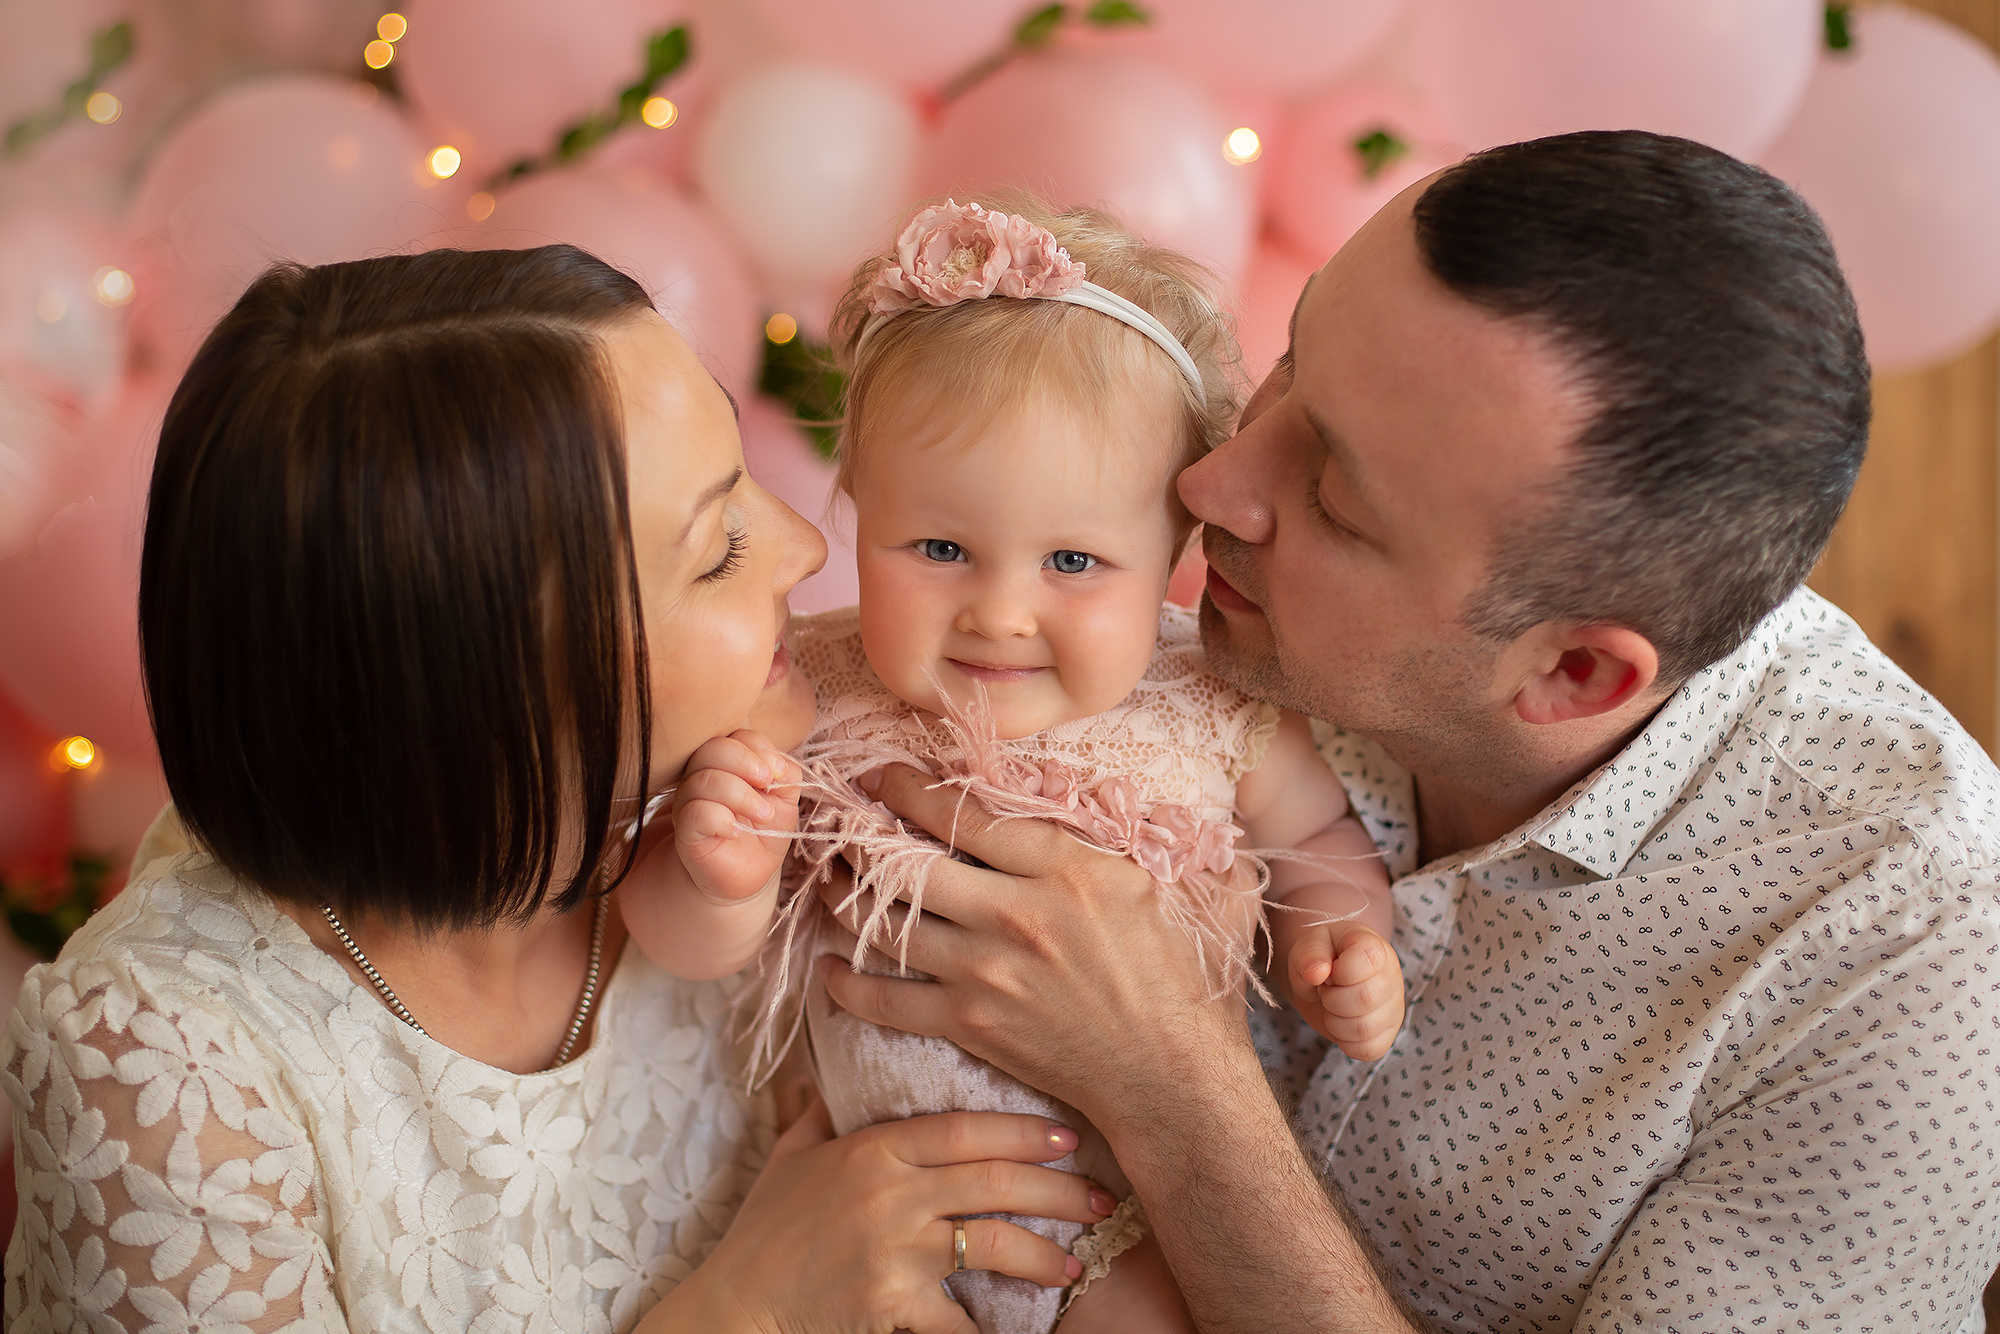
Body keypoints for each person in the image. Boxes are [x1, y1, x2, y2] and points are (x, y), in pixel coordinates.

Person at [819, 131, 2000, 1332]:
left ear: (1571, 670)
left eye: (1331, 495)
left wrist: (1172, 1086)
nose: (1210, 483)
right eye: (1290, 360)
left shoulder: (1911, 953)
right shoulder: (1169, 642)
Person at [2, 244, 1119, 1334]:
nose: (796, 547)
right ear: (484, 689)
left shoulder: (761, 811)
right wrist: (750, 1305)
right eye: (717, 547)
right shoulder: (158, 1060)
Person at [616, 196, 1400, 1334]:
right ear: (857, 513)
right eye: (937, 548)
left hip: (1116, 1222)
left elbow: (1321, 846)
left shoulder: (1209, 702)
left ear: (1172, 555)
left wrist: (1338, 939)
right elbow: (675, 945)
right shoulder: (815, 687)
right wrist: (713, 876)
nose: (998, 611)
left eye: (1073, 560)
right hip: (874, 1213)